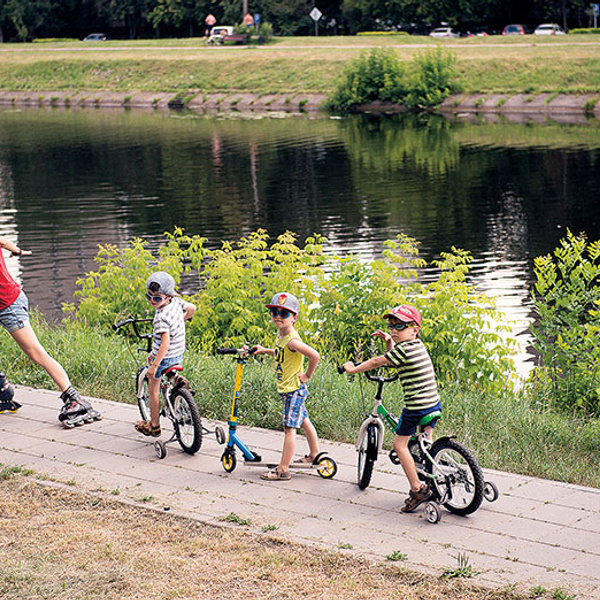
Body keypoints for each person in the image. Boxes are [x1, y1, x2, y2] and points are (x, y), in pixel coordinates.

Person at [342, 304, 441, 513]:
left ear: (415, 329)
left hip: (416, 407)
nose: (394, 330)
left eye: (401, 326)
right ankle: (431, 469)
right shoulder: (417, 346)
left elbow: (379, 362)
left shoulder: (403, 350)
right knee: (425, 446)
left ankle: (418, 489)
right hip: (432, 403)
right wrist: (389, 342)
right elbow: (393, 360)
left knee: (399, 444)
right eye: (391, 326)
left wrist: (353, 369)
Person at [0, 236, 101, 427]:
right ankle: (2, 389)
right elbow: (3, 241)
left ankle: (75, 399)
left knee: (36, 352)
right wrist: (18, 251)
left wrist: (16, 251)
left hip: (9, 305)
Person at [252, 292, 320, 481]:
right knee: (304, 420)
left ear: (294, 317)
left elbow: (314, 355)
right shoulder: (282, 336)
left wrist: (307, 375)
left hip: (293, 390)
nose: (277, 316)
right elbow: (283, 354)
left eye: (284, 313)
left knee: (290, 429)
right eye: (274, 312)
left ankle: (283, 469)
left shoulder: (292, 340)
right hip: (289, 389)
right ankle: (315, 455)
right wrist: (265, 350)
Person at [135, 271, 196, 437]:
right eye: (149, 297)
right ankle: (175, 377)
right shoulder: (176, 302)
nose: (152, 302)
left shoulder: (161, 318)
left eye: (157, 298)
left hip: (165, 356)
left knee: (153, 388)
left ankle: (153, 425)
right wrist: (183, 319)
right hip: (178, 352)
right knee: (164, 365)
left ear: (168, 297)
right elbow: (192, 308)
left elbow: (164, 344)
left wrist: (154, 366)